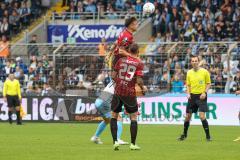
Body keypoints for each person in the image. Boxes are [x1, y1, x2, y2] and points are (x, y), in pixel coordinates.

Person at [110, 43, 146, 150]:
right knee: (133, 117)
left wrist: (120, 83)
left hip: (118, 91)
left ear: (129, 51)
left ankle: (115, 142)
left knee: (114, 116)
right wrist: (143, 87)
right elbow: (139, 80)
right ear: (138, 52)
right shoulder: (138, 63)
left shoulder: (120, 60)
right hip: (129, 93)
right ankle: (133, 144)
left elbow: (113, 76)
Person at [178, 56, 212, 141]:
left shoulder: (204, 72)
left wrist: (205, 92)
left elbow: (208, 84)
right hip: (192, 97)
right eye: (193, 61)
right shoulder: (189, 72)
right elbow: (188, 85)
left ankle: (208, 136)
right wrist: (188, 93)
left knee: (201, 116)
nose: (194, 62)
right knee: (188, 116)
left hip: (201, 96)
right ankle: (184, 135)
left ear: (198, 62)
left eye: (196, 61)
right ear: (191, 62)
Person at [90, 80, 128, 145]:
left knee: (106, 121)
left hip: (98, 101)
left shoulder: (114, 80)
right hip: (104, 102)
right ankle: (117, 139)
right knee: (119, 119)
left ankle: (95, 137)